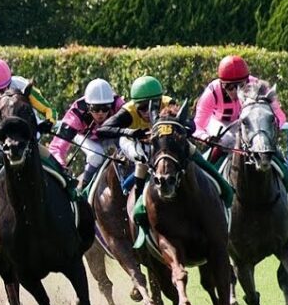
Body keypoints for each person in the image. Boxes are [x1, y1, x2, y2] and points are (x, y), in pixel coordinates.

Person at [97, 75, 233, 207]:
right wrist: (130, 132)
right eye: (143, 108)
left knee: (191, 150)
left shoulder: (169, 103)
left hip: (160, 141)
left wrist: (179, 128)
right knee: (143, 158)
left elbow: (191, 126)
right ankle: (138, 202)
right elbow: (102, 130)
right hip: (133, 142)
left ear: (160, 100)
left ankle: (223, 186)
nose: (148, 112)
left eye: (155, 105)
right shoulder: (127, 111)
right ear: (134, 104)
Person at [193, 54, 288, 188]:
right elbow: (197, 125)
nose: (236, 92)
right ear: (222, 84)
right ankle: (205, 177)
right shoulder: (212, 92)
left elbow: (280, 117)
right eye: (230, 87)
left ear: (247, 81)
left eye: (241, 85)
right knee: (226, 140)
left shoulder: (259, 87)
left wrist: (269, 129)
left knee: (264, 142)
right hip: (220, 123)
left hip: (251, 123)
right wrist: (206, 137)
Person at [49, 78, 126, 191]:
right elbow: (56, 147)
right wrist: (61, 165)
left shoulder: (119, 104)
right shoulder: (76, 114)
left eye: (105, 108)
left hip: (111, 134)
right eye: (95, 108)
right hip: (86, 137)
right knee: (96, 155)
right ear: (88, 106)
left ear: (111, 104)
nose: (101, 113)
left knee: (126, 151)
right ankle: (83, 189)